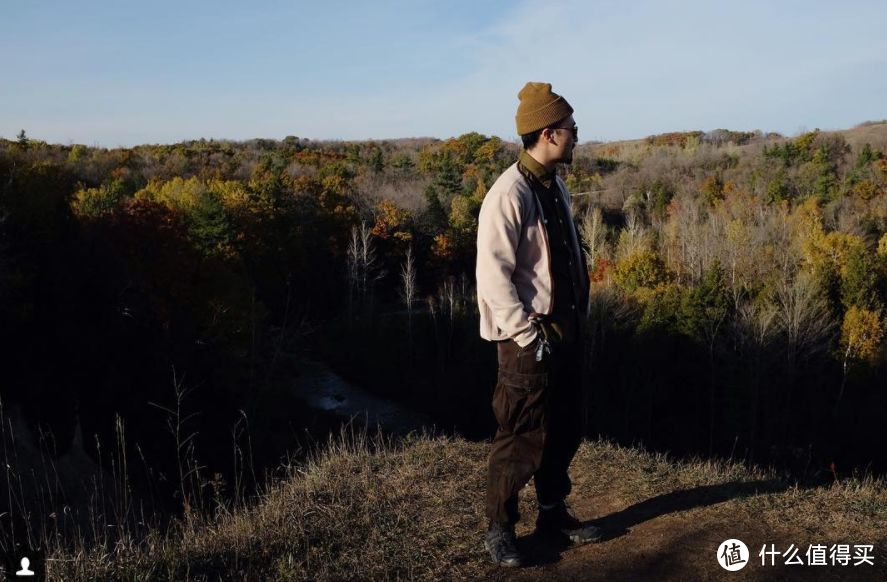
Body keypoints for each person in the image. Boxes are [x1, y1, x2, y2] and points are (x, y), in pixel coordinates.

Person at [476, 81, 602, 567]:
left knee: (568, 425)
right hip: (528, 340)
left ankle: (553, 514)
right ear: (549, 133)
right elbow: (493, 279)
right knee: (521, 434)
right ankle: (500, 530)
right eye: (571, 128)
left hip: (566, 332)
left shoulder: (554, 185)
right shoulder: (508, 194)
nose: (576, 136)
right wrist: (527, 334)